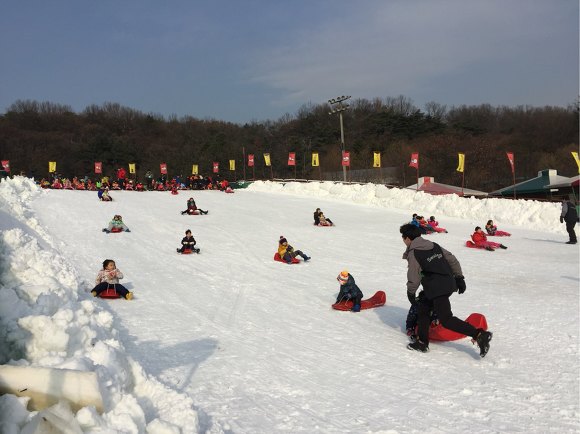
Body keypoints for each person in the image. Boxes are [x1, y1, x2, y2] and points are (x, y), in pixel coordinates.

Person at [400, 223, 492, 356]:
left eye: (403, 237)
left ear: (408, 238)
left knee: (446, 319)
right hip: (447, 283)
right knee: (424, 308)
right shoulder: (433, 245)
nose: (403, 240)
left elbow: (414, 276)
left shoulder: (414, 252)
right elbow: (452, 259)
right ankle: (422, 342)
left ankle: (479, 335)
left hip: (437, 287)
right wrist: (459, 278)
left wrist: (410, 293)